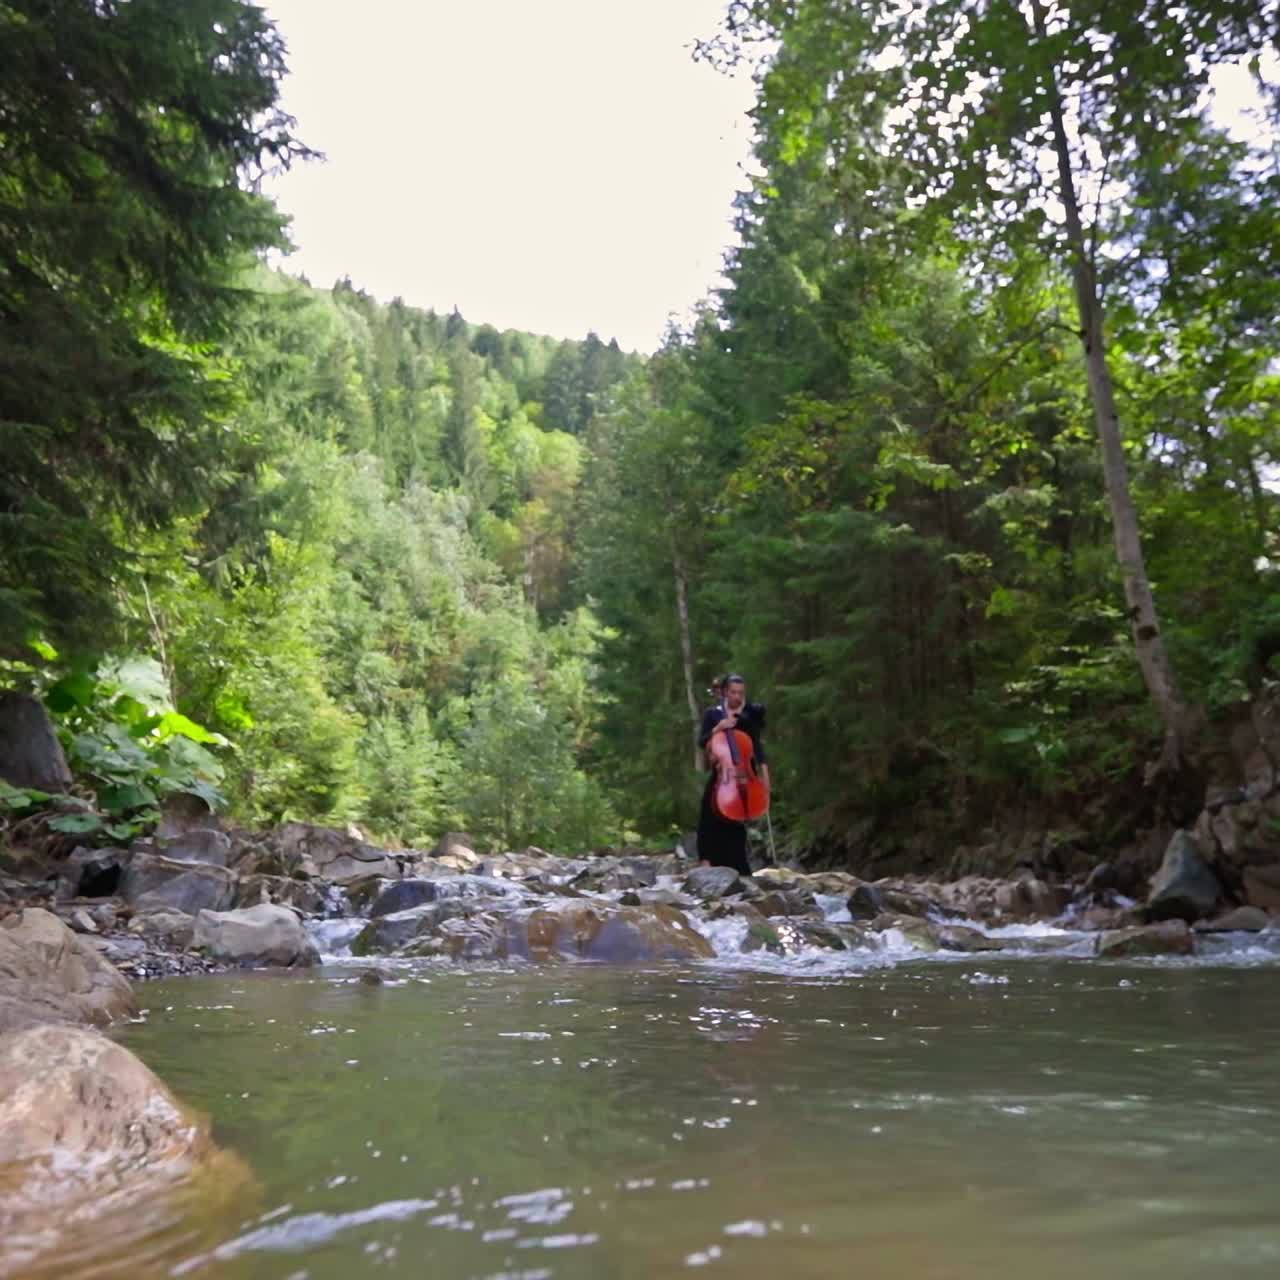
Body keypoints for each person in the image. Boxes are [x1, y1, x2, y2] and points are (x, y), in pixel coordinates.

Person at [696, 673, 770, 876]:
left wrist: (764, 775)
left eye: (741, 693)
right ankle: (706, 861)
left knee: (738, 821)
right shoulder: (713, 714)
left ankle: (738, 866)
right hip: (722, 773)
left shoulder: (748, 715)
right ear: (725, 692)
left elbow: (756, 747)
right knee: (708, 814)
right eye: (733, 692)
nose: (737, 696)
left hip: (745, 773)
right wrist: (717, 728)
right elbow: (702, 742)